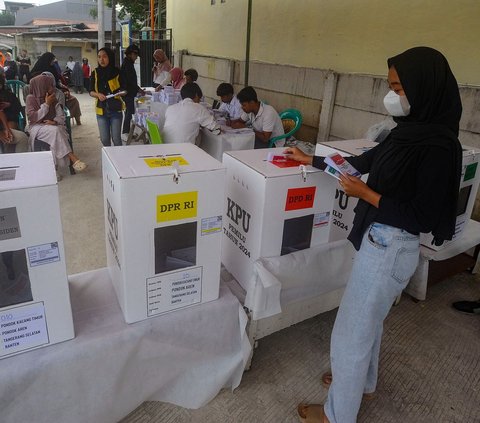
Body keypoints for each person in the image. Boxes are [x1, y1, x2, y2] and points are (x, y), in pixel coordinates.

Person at [285, 46, 463, 423]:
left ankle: (337, 414)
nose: (392, 97)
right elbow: (364, 162)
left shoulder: (439, 147)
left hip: (392, 246)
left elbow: (422, 215)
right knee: (369, 324)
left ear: (423, 87)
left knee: (350, 334)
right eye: (391, 87)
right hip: (381, 241)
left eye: (399, 89)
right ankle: (360, 383)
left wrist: (365, 193)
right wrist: (311, 158)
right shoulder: (406, 133)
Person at [26, 74, 87, 177]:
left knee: (55, 133)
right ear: (41, 86)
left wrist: (54, 122)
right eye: (49, 85)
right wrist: (46, 105)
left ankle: (53, 169)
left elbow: (61, 116)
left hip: (51, 126)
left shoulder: (52, 97)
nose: (52, 88)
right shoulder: (30, 98)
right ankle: (72, 157)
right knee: (56, 131)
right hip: (36, 128)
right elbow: (33, 118)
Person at [30, 52, 82, 124]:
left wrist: (61, 85)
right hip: (43, 95)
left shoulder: (52, 68)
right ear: (48, 59)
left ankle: (75, 120)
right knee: (66, 98)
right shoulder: (38, 72)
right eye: (52, 59)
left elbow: (56, 82)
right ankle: (60, 118)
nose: (54, 61)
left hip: (54, 90)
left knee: (72, 99)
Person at [89, 47, 126, 147]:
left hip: (116, 110)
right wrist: (98, 95)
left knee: (116, 139)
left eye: (104, 57)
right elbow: (90, 91)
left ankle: (119, 161)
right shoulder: (95, 73)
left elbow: (125, 90)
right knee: (104, 139)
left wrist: (120, 93)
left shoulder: (117, 72)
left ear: (110, 57)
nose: (101, 60)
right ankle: (108, 160)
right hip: (101, 111)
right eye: (99, 57)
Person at [0, 67, 28, 153]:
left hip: (7, 121)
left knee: (21, 137)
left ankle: (15, 160)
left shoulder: (7, 93)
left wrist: (9, 105)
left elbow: (17, 108)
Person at [121, 44, 145, 137]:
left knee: (129, 111)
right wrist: (139, 89)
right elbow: (131, 80)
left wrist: (138, 89)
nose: (136, 58)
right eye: (135, 56)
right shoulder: (127, 64)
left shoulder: (128, 63)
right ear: (130, 54)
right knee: (130, 111)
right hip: (128, 92)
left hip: (129, 91)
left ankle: (127, 131)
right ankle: (125, 132)